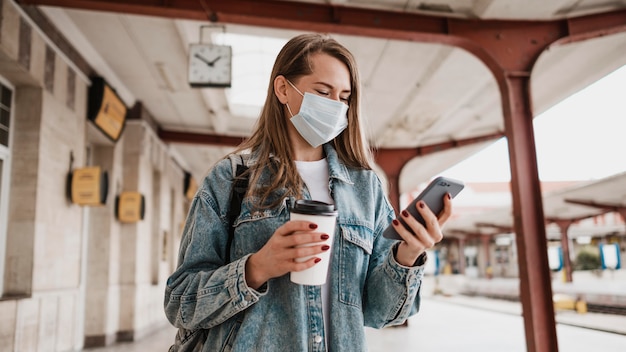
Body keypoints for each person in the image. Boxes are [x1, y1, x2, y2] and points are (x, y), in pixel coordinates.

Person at [164, 33, 453, 352]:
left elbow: (380, 313)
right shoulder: (231, 178)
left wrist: (408, 254)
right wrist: (256, 268)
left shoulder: (365, 187)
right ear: (283, 89)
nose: (336, 106)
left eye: (344, 97)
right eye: (322, 91)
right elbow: (180, 303)